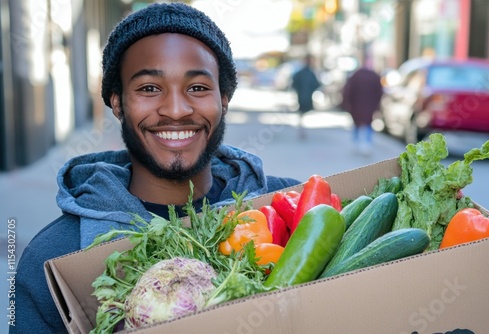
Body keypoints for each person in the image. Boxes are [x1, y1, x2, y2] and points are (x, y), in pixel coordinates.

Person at [12, 3, 301, 334]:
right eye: (149, 88)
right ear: (118, 102)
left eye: (197, 88)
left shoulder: (290, 211)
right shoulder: (56, 254)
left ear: (224, 98)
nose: (176, 110)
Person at [341, 66, 383, 155]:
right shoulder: (373, 77)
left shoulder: (355, 77)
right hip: (369, 106)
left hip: (356, 106)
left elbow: (347, 91)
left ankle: (357, 143)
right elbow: (379, 92)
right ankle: (367, 144)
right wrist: (377, 106)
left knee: (357, 124)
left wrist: (347, 104)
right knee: (368, 124)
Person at [291, 54, 320, 138]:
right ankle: (303, 131)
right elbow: (316, 84)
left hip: (303, 97)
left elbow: (294, 84)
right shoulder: (308, 73)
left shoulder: (305, 73)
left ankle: (302, 130)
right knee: (303, 115)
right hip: (305, 97)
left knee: (303, 115)